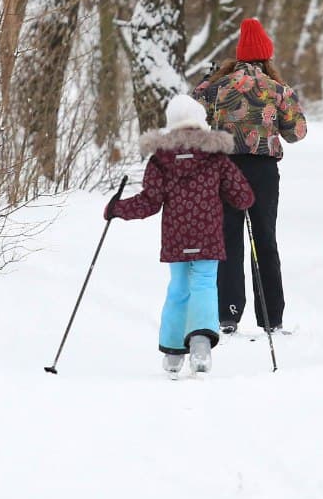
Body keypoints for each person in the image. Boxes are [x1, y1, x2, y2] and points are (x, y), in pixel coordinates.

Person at [106, 94, 255, 378]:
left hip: (177, 236)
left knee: (178, 288)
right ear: (200, 122)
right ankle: (200, 343)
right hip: (208, 234)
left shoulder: (160, 160)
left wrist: (117, 208)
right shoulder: (216, 157)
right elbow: (242, 196)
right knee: (204, 285)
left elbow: (149, 202)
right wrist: (244, 197)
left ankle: (173, 353)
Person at [192, 18, 307, 334]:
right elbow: (297, 132)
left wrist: (206, 82)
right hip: (263, 173)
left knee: (228, 239)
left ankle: (228, 314)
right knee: (265, 240)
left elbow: (188, 113)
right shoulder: (277, 90)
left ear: (239, 55)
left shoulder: (216, 88)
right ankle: (272, 318)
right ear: (266, 57)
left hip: (224, 169)